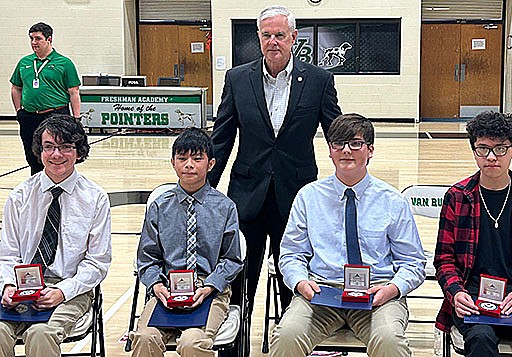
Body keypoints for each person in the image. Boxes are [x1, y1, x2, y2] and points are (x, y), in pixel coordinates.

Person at [208, 4, 341, 320]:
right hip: (247, 195)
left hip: (296, 197)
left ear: (294, 37)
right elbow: (222, 138)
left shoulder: (319, 80)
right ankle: (233, 347)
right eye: (266, 35)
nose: (273, 42)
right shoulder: (238, 79)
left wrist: (346, 184)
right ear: (258, 37)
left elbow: (336, 134)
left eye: (280, 35)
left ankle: (289, 342)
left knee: (292, 282)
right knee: (239, 281)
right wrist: (205, 188)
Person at [270, 114, 426, 356]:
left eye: (355, 143)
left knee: (390, 341)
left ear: (370, 150)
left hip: (377, 294)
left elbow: (413, 262)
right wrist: (301, 282)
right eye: (338, 144)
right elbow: (291, 254)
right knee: (286, 335)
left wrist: (393, 289)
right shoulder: (308, 197)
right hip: (322, 292)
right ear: (330, 151)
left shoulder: (392, 200)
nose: (346, 151)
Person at [433, 111, 512, 357]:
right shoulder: (457, 196)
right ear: (474, 151)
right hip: (471, 297)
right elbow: (444, 259)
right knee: (480, 338)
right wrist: (455, 292)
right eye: (482, 149)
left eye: (500, 148)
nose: (491, 157)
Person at [0, 115, 112, 357]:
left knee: (40, 334)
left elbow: (97, 263)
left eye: (65, 147)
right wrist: (8, 285)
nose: (56, 155)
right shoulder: (20, 196)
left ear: (79, 151)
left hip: (70, 289)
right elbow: (8, 253)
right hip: (22, 286)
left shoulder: (95, 198)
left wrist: (63, 291)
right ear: (39, 151)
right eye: (49, 147)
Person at [130, 127, 243, 357]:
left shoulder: (225, 207)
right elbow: (147, 259)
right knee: (144, 338)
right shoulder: (160, 206)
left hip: (208, 291)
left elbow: (232, 259)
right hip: (167, 288)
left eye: (197, 158)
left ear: (210, 164)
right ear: (173, 162)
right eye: (182, 158)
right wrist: (157, 286)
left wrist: (210, 286)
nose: (189, 164)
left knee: (192, 343)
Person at [10, 22, 81, 175]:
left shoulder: (64, 63)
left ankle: (60, 183)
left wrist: (76, 118)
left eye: (38, 38)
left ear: (49, 39)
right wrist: (19, 111)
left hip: (55, 115)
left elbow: (74, 92)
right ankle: (37, 184)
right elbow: (16, 88)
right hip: (29, 116)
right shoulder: (25, 62)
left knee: (58, 153)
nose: (34, 43)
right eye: (31, 39)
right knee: (32, 155)